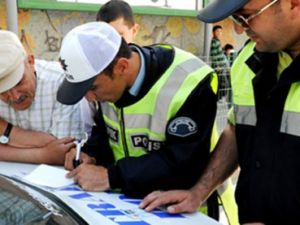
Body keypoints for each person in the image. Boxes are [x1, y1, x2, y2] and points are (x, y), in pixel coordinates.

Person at [57, 21, 237, 222]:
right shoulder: (108, 84)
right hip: (128, 208)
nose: (89, 98)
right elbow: (106, 132)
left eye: (93, 88)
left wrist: (112, 176)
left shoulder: (189, 81)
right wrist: (90, 153)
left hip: (181, 213)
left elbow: (184, 163)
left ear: (121, 66)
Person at [140, 0, 300, 224]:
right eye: (235, 18)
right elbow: (236, 130)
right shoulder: (248, 60)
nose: (239, 28)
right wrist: (198, 192)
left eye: (246, 16)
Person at [0, 30, 93, 165]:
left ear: (30, 61)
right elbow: (52, 152)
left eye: (19, 82)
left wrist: (5, 130)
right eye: (3, 91)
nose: (15, 96)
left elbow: (64, 153)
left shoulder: (61, 83)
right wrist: (42, 154)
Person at [209, 25, 231, 103]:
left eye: (220, 31)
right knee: (224, 84)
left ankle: (217, 99)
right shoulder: (214, 42)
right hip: (218, 68)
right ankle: (220, 98)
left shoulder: (217, 41)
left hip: (221, 67)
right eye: (217, 31)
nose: (219, 33)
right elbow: (213, 55)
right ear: (213, 32)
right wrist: (217, 66)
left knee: (220, 84)